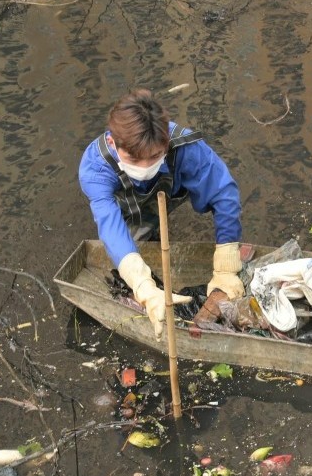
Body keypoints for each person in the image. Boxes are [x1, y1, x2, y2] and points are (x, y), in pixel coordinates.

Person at [79, 88, 244, 341]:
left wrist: (227, 264)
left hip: (172, 188)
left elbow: (224, 195)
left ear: (165, 141)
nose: (145, 167)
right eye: (134, 158)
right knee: (135, 241)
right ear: (113, 143)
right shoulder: (95, 168)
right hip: (127, 203)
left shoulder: (187, 147)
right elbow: (109, 224)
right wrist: (143, 286)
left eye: (154, 156)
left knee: (214, 199)